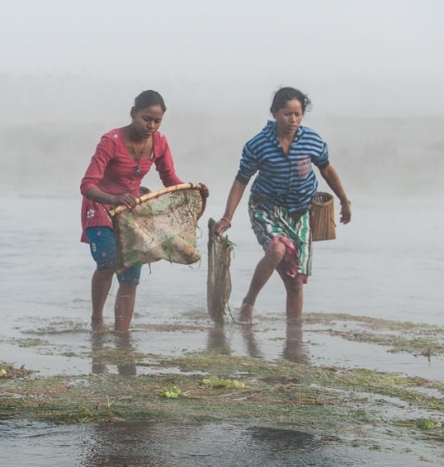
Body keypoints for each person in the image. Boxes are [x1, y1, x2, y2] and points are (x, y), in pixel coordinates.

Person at [212, 87, 351, 323]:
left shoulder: (311, 140)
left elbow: (326, 169)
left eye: (298, 114)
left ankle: (293, 339)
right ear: (274, 113)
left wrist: (344, 201)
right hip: (265, 208)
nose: (293, 120)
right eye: (287, 114)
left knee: (295, 281)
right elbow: (241, 181)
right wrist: (227, 217)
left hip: (301, 211)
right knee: (277, 249)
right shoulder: (258, 145)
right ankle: (248, 302)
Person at [80, 90, 207, 331]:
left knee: (130, 273)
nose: (151, 125)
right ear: (133, 113)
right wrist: (114, 198)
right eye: (146, 118)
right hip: (100, 207)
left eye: (157, 121)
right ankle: (97, 320)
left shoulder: (159, 142)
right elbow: (87, 185)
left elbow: (169, 178)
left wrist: (192, 191)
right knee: (107, 264)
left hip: (131, 213)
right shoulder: (111, 141)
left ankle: (122, 333)